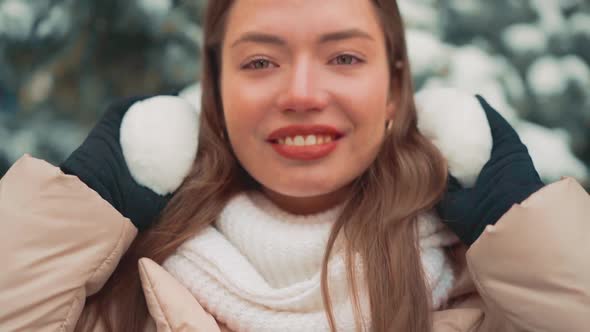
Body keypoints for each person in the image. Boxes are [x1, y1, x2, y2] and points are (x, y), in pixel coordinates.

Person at [1, 0, 589, 331]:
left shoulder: (493, 301)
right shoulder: (113, 299)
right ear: (215, 93)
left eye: (344, 56)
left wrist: (520, 220)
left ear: (394, 89)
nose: (302, 93)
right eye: (260, 62)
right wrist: (82, 200)